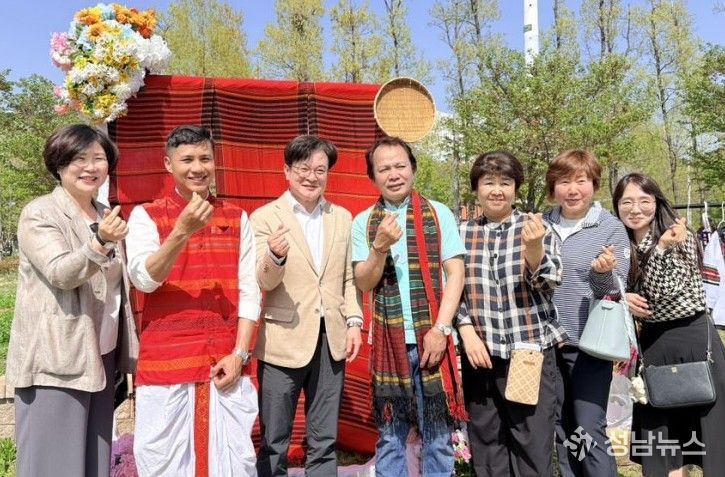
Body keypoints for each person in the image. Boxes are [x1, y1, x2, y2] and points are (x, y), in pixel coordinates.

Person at [126, 125, 261, 476]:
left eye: (205, 158)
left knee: (233, 462)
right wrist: (181, 231)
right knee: (161, 460)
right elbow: (144, 280)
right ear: (168, 164)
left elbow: (250, 291)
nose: (197, 168)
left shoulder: (236, 217)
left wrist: (240, 354)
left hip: (225, 360)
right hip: (166, 361)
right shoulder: (146, 216)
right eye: (187, 159)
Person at [6, 124, 138, 476]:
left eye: (99, 158)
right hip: (57, 360)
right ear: (59, 163)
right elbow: (61, 272)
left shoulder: (105, 213)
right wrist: (100, 242)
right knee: (53, 466)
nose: (90, 167)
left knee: (94, 462)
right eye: (79, 158)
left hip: (102, 355)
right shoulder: (40, 213)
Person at [351, 136, 466, 477]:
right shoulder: (364, 222)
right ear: (372, 177)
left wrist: (441, 329)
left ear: (413, 169)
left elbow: (456, 273)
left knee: (438, 436)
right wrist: (379, 247)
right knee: (391, 436)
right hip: (389, 344)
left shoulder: (438, 213)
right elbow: (364, 282)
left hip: (433, 338)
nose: (394, 174)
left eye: (400, 166)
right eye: (384, 168)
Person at [251, 135, 363, 476]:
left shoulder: (342, 217)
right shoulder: (264, 218)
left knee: (324, 439)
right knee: (274, 439)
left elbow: (349, 278)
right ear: (287, 171)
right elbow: (263, 281)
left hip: (332, 340)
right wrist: (275, 256)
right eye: (303, 168)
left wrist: (354, 321)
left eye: (320, 170)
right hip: (282, 342)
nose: (311, 177)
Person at [457, 151, 566, 476]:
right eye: (488, 182)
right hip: (480, 354)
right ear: (476, 188)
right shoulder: (462, 233)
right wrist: (465, 329)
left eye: (505, 183)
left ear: (516, 188)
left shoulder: (536, 227)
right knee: (487, 444)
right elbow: (450, 289)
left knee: (531, 444)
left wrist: (534, 248)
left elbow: (548, 282)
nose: (497, 190)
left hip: (527, 352)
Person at [613, 172, 725, 477]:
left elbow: (665, 290)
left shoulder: (677, 234)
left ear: (657, 201)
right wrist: (623, 298)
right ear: (617, 205)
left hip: (693, 340)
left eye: (644, 201)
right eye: (627, 202)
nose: (635, 209)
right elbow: (610, 287)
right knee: (662, 440)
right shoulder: (620, 243)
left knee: (709, 435)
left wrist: (661, 248)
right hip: (653, 344)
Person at [543, 149, 630, 477]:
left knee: (589, 423)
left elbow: (615, 290)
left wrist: (601, 273)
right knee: (563, 425)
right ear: (553, 187)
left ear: (593, 184)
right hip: (548, 345)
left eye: (581, 181)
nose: (573, 189)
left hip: (590, 345)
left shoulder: (609, 228)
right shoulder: (541, 224)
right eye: (564, 181)